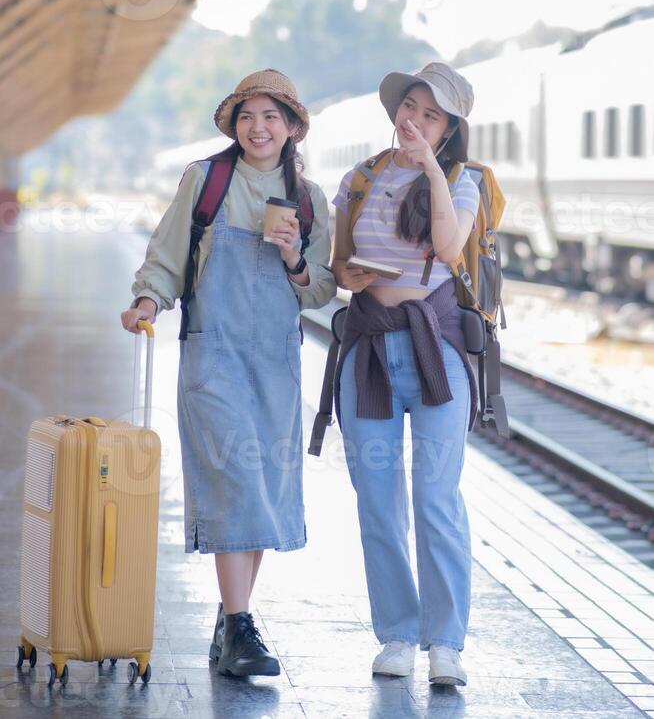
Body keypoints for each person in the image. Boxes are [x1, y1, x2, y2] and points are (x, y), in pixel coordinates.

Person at [120, 70, 335, 678]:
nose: (257, 127)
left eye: (270, 117)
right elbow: (166, 256)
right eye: (247, 116)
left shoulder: (311, 198)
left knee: (260, 488)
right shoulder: (206, 181)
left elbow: (320, 290)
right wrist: (147, 301)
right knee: (237, 479)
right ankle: (241, 626)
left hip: (274, 361)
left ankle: (232, 621)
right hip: (212, 356)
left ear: (292, 127)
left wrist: (293, 255)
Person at [330, 62, 480, 687]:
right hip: (369, 350)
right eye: (409, 106)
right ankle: (396, 633)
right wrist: (350, 276)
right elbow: (339, 265)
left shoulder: (465, 181)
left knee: (436, 498)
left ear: (448, 131)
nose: (413, 120)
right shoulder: (360, 177)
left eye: (431, 114)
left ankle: (445, 643)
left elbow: (448, 248)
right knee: (378, 502)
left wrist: (431, 173)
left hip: (437, 351)